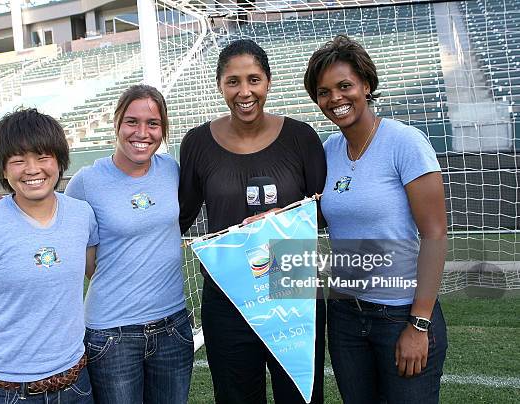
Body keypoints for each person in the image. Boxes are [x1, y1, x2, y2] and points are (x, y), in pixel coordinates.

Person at [179, 39, 327, 403]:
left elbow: (323, 211)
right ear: (219, 85)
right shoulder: (197, 143)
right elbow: (180, 216)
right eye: (233, 81)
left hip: (291, 291)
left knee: (302, 397)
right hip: (227, 295)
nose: (244, 92)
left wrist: (282, 219)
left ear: (268, 82)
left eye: (254, 80)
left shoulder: (301, 137)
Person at [303, 34, 448, 403]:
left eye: (344, 85)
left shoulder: (405, 142)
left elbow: (434, 234)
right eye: (323, 92)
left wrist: (418, 324)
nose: (335, 98)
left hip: (400, 316)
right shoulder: (327, 152)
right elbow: (320, 217)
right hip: (345, 317)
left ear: (366, 85)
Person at [0, 108, 99, 404]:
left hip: (75, 384)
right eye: (18, 160)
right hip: (2, 389)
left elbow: (98, 273)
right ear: (3, 169)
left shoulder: (83, 215)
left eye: (43, 157)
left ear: (59, 160)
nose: (32, 169)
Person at [64, 84, 194, 403]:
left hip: (173, 327)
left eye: (153, 124)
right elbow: (80, 254)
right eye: (132, 121)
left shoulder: (172, 171)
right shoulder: (86, 182)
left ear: (163, 129)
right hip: (112, 336)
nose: (142, 132)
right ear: (117, 125)